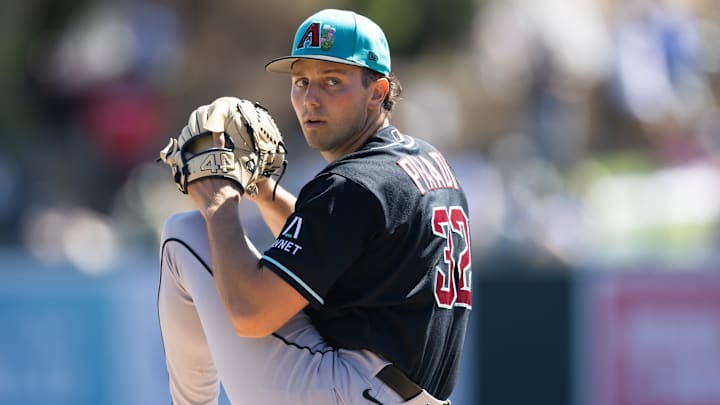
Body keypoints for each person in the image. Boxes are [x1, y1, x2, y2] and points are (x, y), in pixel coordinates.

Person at [158, 8, 472, 405]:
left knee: (185, 234)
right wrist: (261, 188)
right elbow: (328, 242)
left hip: (351, 389)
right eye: (301, 81)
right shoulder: (423, 162)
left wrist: (219, 198)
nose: (310, 99)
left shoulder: (352, 184)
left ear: (377, 92)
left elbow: (251, 313)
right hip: (394, 392)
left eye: (332, 81)